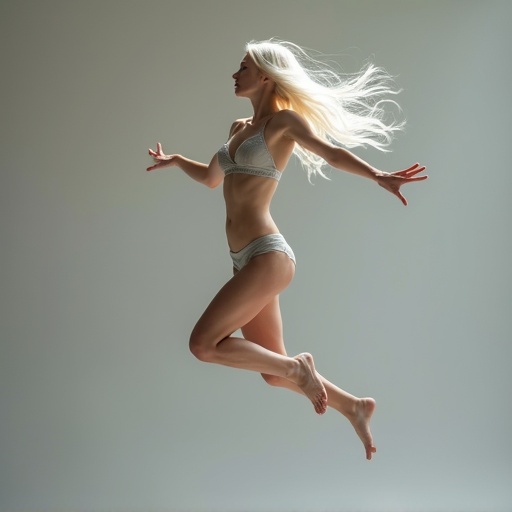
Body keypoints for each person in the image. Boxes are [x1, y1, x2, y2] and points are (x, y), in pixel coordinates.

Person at [147, 39, 427, 460]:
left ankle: (300, 367)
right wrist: (176, 160)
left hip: (267, 254)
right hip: (245, 262)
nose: (234, 73)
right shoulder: (238, 128)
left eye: (243, 66)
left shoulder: (282, 124)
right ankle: (354, 406)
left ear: (264, 75)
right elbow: (210, 177)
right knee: (273, 374)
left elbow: (331, 155)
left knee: (204, 345)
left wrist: (378, 175)